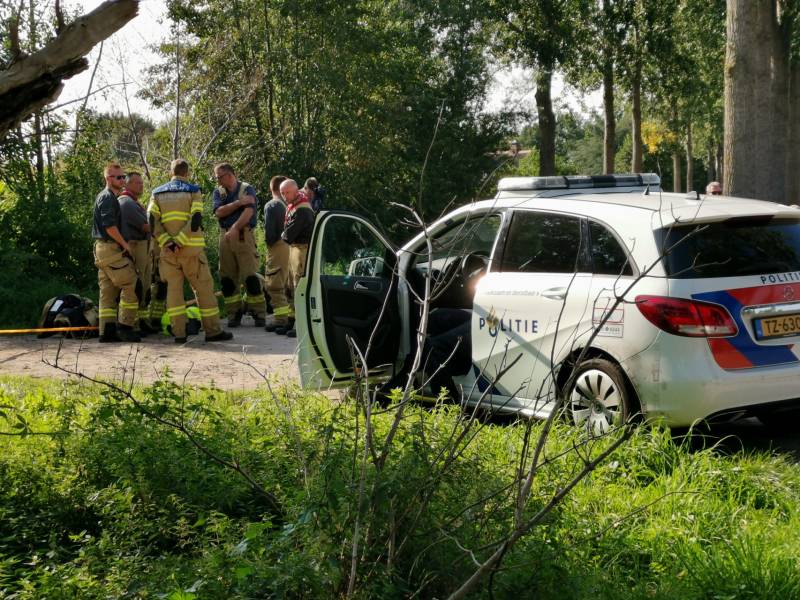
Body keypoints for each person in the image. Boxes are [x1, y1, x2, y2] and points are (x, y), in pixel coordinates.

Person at [148, 159, 233, 344]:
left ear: (171, 173)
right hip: (191, 251)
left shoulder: (156, 193)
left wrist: (167, 242)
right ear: (186, 173)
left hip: (168, 253)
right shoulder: (193, 190)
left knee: (174, 292)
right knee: (204, 290)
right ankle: (212, 331)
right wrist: (180, 241)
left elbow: (151, 222)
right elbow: (195, 219)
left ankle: (179, 333)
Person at [212, 163, 267, 328]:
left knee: (250, 276)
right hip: (225, 235)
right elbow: (218, 212)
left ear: (229, 175)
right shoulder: (218, 192)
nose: (217, 180)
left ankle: (259, 313)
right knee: (227, 278)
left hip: (244, 235)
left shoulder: (247, 188)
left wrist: (235, 227)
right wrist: (238, 203)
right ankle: (233, 313)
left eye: (219, 177)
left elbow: (249, 211)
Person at [91, 162, 141, 343]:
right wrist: (125, 245)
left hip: (103, 250)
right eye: (118, 177)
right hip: (110, 248)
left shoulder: (107, 197)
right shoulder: (108, 198)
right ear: (107, 178)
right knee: (132, 284)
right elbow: (109, 226)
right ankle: (126, 327)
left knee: (108, 291)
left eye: (123, 177)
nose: (122, 180)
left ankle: (107, 331)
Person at [118, 171, 156, 335]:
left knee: (146, 286)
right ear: (127, 184)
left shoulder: (135, 202)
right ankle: (131, 324)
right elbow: (147, 226)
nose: (141, 185)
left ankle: (142, 321)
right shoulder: (126, 203)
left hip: (144, 247)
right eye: (137, 183)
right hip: (135, 247)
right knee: (137, 287)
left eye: (141, 182)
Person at [279, 178, 316, 337]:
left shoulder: (302, 209)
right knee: (290, 288)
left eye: (287, 192)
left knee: (299, 289)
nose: (285, 196)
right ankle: (290, 321)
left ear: (296, 191)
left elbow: (288, 235)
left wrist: (283, 234)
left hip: (302, 250)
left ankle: (300, 326)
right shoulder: (294, 205)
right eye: (282, 193)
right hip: (294, 249)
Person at [263, 174, 290, 332]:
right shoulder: (289, 205)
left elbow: (270, 234)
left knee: (274, 284)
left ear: (271, 188)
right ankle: (289, 317)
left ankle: (281, 319)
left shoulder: (272, 205)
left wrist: (268, 246)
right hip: (289, 248)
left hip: (277, 247)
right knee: (287, 284)